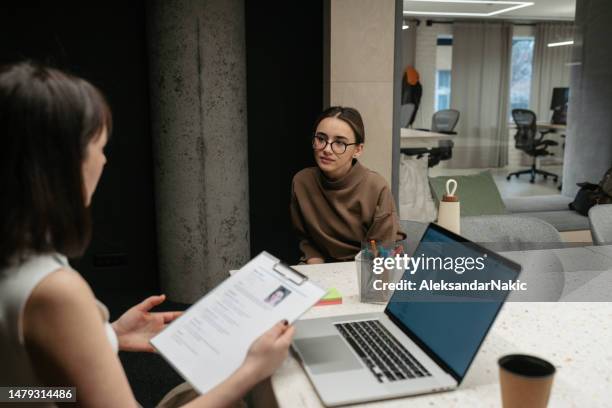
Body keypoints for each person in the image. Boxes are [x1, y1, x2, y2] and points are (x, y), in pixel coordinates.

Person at [0, 62, 294, 407]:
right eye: (99, 146)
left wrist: (108, 336)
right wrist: (252, 370)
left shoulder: (17, 261)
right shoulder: (55, 291)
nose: (104, 162)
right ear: (60, 165)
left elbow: (15, 391)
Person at [290, 106, 406, 264]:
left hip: (364, 270)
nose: (327, 149)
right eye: (321, 139)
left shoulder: (376, 188)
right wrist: (315, 268)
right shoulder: (302, 182)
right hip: (319, 267)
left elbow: (380, 254)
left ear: (358, 150)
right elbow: (306, 240)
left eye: (339, 143)